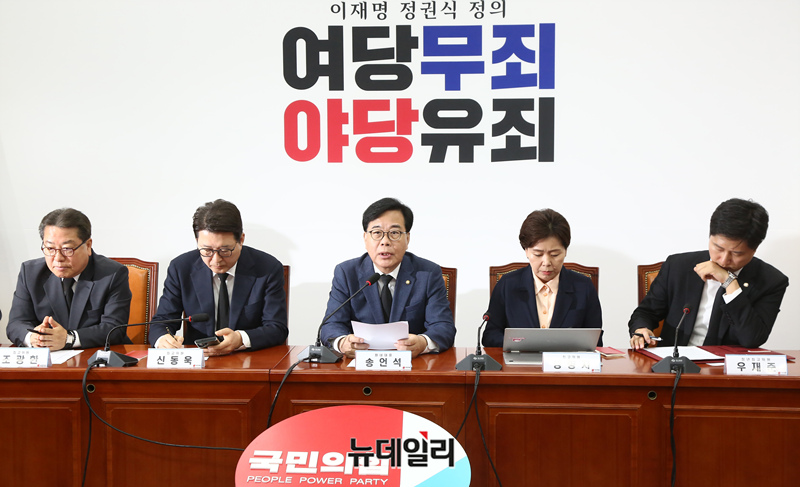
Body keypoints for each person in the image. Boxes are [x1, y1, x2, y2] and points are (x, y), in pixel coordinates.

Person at [629, 198, 789, 349]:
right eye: (718, 248)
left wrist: (729, 282)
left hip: (726, 366)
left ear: (754, 249)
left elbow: (752, 339)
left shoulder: (771, 281)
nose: (724, 260)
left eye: (737, 253)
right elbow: (646, 312)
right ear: (710, 237)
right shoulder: (678, 266)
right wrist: (641, 329)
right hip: (675, 361)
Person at [320, 197, 456, 358]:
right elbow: (331, 325)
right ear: (365, 238)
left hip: (413, 365)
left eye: (394, 233)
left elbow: (443, 326)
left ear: (407, 238)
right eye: (377, 233)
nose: (385, 241)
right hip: (360, 365)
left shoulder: (427, 273)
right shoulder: (346, 273)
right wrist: (342, 342)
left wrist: (423, 343)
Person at [149, 199, 287, 355]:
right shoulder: (181, 268)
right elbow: (162, 321)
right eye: (207, 250)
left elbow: (277, 328)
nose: (216, 260)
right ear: (197, 241)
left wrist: (240, 338)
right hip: (199, 360)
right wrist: (163, 339)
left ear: (241, 240)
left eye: (225, 250)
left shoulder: (267, 268)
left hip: (248, 359)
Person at [6, 208, 132, 350]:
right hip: (48, 358)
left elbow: (114, 328)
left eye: (67, 249)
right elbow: (16, 323)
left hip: (96, 356)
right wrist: (33, 338)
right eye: (50, 248)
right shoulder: (30, 272)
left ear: (88, 245)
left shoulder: (112, 274)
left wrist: (68, 339)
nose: (58, 258)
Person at [482, 209, 603, 347]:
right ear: (526, 251)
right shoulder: (507, 285)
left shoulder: (583, 287)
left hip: (566, 360)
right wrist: (522, 343)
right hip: (520, 359)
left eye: (555, 254)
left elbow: (595, 341)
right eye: (538, 254)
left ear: (565, 251)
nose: (546, 262)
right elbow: (490, 336)